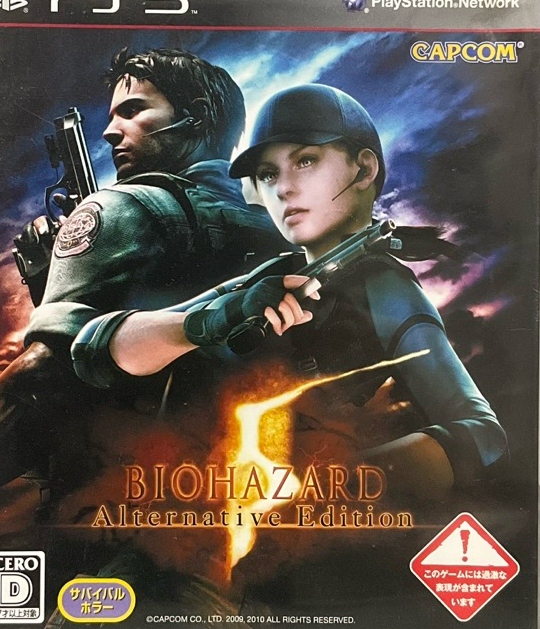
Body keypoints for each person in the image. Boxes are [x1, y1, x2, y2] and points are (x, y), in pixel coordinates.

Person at [75, 84, 507, 501]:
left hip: (272, 524)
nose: (282, 188)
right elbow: (93, 350)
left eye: (305, 161)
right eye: (268, 174)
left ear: (363, 170)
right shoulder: (273, 277)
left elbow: (481, 433)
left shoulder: (382, 286)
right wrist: (209, 321)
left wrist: (319, 494)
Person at [0, 48, 287, 499]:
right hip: (250, 483)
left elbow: (45, 377)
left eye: (133, 110)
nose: (110, 131)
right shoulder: (283, 227)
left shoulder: (120, 207)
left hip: (124, 495)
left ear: (194, 116)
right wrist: (53, 282)